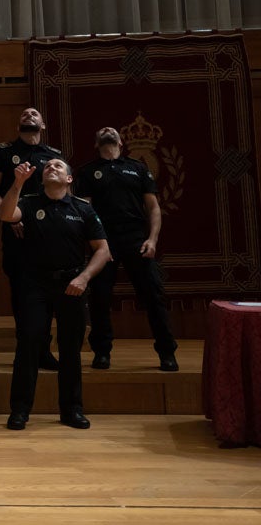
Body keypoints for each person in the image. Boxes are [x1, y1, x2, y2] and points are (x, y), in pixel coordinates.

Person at [0, 159, 111, 430]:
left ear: (69, 179)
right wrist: (17, 183)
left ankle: (72, 409)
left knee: (70, 350)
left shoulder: (82, 209)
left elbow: (103, 251)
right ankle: (20, 410)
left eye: (58, 166)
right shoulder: (28, 202)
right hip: (34, 284)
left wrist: (83, 278)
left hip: (71, 283)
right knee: (28, 346)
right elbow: (5, 214)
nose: (51, 167)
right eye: (48, 166)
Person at [75, 126, 178, 371]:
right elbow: (85, 213)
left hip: (136, 240)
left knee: (153, 296)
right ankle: (101, 352)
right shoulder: (88, 172)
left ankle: (167, 352)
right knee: (100, 298)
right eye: (102, 130)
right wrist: (97, 243)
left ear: (121, 142)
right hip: (103, 241)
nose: (108, 130)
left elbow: (153, 208)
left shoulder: (138, 168)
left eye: (112, 130)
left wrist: (152, 239)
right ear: (95, 143)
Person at [0, 107, 67, 371]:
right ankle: (27, 349)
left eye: (34, 114)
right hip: (17, 233)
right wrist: (10, 218)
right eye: (24, 114)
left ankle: (43, 349)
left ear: (43, 124)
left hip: (48, 236)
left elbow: (63, 193)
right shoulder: (4, 151)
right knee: (23, 294)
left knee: (50, 294)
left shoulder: (54, 156)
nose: (28, 115)